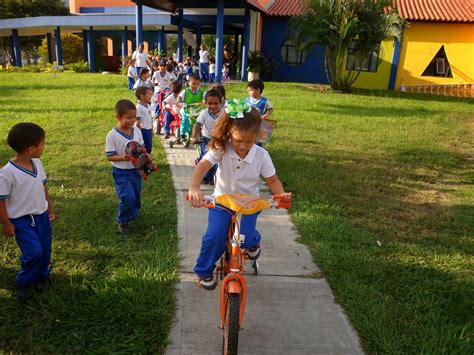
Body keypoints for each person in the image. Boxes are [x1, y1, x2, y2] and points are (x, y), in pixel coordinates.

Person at [187, 102, 290, 290]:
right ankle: (203, 271)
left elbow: (273, 180)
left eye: (249, 141)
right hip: (222, 201)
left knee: (247, 238)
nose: (243, 146)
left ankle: (254, 241)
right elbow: (203, 165)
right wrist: (194, 187)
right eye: (238, 140)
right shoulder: (221, 148)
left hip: (249, 204)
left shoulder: (261, 155)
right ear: (228, 134)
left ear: (257, 136)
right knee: (214, 237)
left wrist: (280, 195)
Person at [0, 123, 55, 300]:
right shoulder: (6, 174)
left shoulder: (37, 164)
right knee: (33, 252)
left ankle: (43, 275)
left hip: (41, 216)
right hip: (21, 221)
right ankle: (24, 282)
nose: (44, 147)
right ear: (31, 149)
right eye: (42, 144)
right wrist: (6, 223)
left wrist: (49, 207)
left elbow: (43, 186)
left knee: (45, 249)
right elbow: (1, 200)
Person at [106, 99, 145, 235]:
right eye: (129, 117)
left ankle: (133, 213)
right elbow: (109, 156)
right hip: (121, 172)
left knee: (136, 196)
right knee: (127, 196)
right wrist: (122, 157)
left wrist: (147, 157)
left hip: (135, 170)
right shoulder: (112, 135)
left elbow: (141, 149)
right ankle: (122, 220)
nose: (133, 120)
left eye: (134, 117)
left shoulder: (137, 132)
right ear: (118, 117)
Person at [190, 89, 223, 184]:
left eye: (216, 103)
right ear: (205, 103)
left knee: (219, 159)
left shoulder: (224, 114)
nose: (213, 106)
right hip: (206, 139)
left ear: (221, 103)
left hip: (220, 140)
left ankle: (215, 176)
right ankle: (204, 176)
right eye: (210, 103)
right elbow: (197, 126)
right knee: (205, 158)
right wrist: (194, 137)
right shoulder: (204, 113)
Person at [135, 86, 154, 154]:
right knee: (142, 148)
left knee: (149, 147)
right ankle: (142, 161)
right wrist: (138, 133)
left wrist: (152, 129)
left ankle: (148, 160)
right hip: (143, 131)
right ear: (142, 96)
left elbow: (150, 118)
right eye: (149, 94)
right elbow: (138, 121)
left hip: (148, 130)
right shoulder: (138, 107)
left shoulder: (148, 106)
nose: (151, 96)